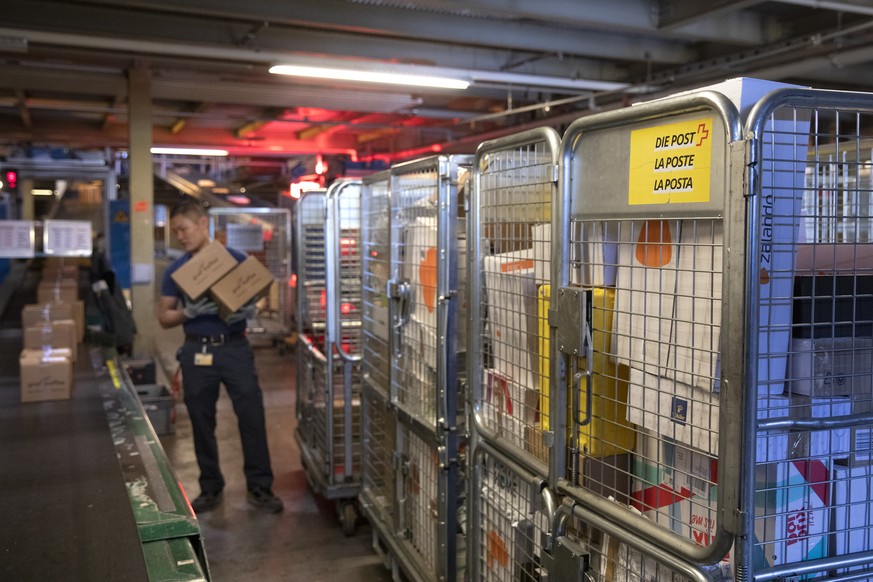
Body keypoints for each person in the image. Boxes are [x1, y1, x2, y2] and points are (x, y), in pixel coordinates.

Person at [158, 199, 283, 514]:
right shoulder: (177, 271)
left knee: (251, 416)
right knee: (201, 420)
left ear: (202, 223)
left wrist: (252, 308)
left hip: (234, 348)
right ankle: (210, 487)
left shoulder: (237, 260)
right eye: (175, 232)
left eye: (184, 229)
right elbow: (164, 316)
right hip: (196, 349)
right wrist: (187, 311)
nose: (181, 237)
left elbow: (259, 290)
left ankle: (260, 486)